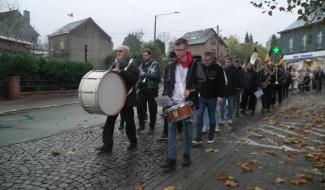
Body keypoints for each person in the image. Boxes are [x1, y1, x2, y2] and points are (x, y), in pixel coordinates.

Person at [160, 38, 202, 171]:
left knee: (188, 129)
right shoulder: (172, 65)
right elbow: (167, 85)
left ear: (186, 49)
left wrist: (191, 90)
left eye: (180, 50)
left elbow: (202, 83)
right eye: (176, 50)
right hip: (173, 101)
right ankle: (171, 158)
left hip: (188, 102)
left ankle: (187, 155)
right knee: (171, 129)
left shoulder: (195, 65)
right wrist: (165, 102)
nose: (177, 52)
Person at [96, 45, 139, 153]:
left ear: (126, 53)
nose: (118, 53)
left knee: (129, 123)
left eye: (120, 51)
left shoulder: (132, 65)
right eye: (117, 51)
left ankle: (133, 142)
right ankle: (107, 145)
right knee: (109, 122)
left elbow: (134, 79)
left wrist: (121, 72)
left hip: (127, 99)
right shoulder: (115, 64)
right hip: (115, 99)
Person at [192, 51, 225, 145]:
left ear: (212, 59)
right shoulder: (199, 67)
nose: (205, 61)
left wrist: (220, 96)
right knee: (199, 117)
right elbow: (195, 80)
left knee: (212, 118)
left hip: (213, 98)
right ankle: (198, 138)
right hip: (201, 97)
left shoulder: (218, 68)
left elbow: (221, 83)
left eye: (207, 60)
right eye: (204, 60)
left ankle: (211, 136)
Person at [136, 49, 161, 133]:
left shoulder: (155, 64)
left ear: (150, 55)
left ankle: (152, 126)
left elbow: (158, 77)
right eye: (143, 55)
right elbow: (139, 77)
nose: (144, 57)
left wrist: (145, 74)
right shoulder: (141, 65)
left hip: (152, 89)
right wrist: (137, 86)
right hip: (142, 88)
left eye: (146, 55)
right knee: (139, 106)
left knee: (152, 109)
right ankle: (141, 125)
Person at [161, 51, 183, 140]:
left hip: (177, 94)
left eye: (172, 59)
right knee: (165, 113)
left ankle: (179, 132)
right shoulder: (167, 66)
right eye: (170, 59)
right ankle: (165, 132)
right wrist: (163, 94)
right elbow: (165, 80)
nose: (171, 61)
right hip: (167, 92)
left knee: (177, 113)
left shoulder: (180, 67)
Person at [220, 57, 238, 125]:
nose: (227, 64)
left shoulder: (235, 69)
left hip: (231, 91)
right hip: (223, 91)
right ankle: (221, 119)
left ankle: (230, 118)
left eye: (229, 62)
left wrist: (234, 88)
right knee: (222, 106)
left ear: (231, 62)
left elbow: (236, 80)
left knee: (230, 106)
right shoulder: (222, 69)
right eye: (226, 62)